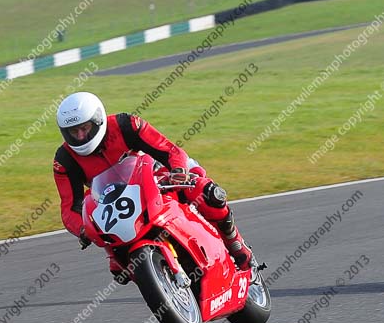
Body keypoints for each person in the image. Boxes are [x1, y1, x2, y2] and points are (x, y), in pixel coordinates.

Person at [52, 91, 256, 281]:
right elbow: (69, 207)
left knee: (208, 193)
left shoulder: (126, 125)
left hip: (155, 179)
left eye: (84, 129)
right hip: (114, 205)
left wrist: (177, 171)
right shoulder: (65, 160)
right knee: (119, 267)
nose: (79, 136)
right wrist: (82, 229)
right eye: (73, 132)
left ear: (98, 121)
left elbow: (169, 150)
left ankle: (234, 242)